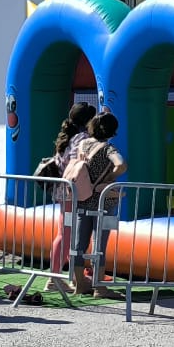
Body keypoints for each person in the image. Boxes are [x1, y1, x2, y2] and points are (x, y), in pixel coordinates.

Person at [62, 110, 124, 296]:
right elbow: (121, 164)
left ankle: (80, 284)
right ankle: (99, 287)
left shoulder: (83, 144)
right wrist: (110, 177)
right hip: (104, 201)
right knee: (99, 245)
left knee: (78, 244)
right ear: (112, 130)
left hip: (82, 198)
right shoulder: (108, 149)